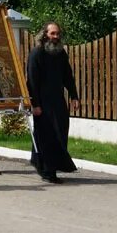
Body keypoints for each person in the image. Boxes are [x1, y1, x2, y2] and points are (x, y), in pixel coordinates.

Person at [27, 22, 80, 184]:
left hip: (58, 101)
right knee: (46, 135)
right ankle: (48, 172)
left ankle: (45, 166)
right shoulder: (37, 54)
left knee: (60, 132)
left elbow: (67, 76)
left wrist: (74, 96)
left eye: (57, 34)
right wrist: (35, 104)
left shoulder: (60, 53)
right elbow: (32, 81)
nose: (56, 37)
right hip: (42, 103)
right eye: (52, 34)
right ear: (45, 35)